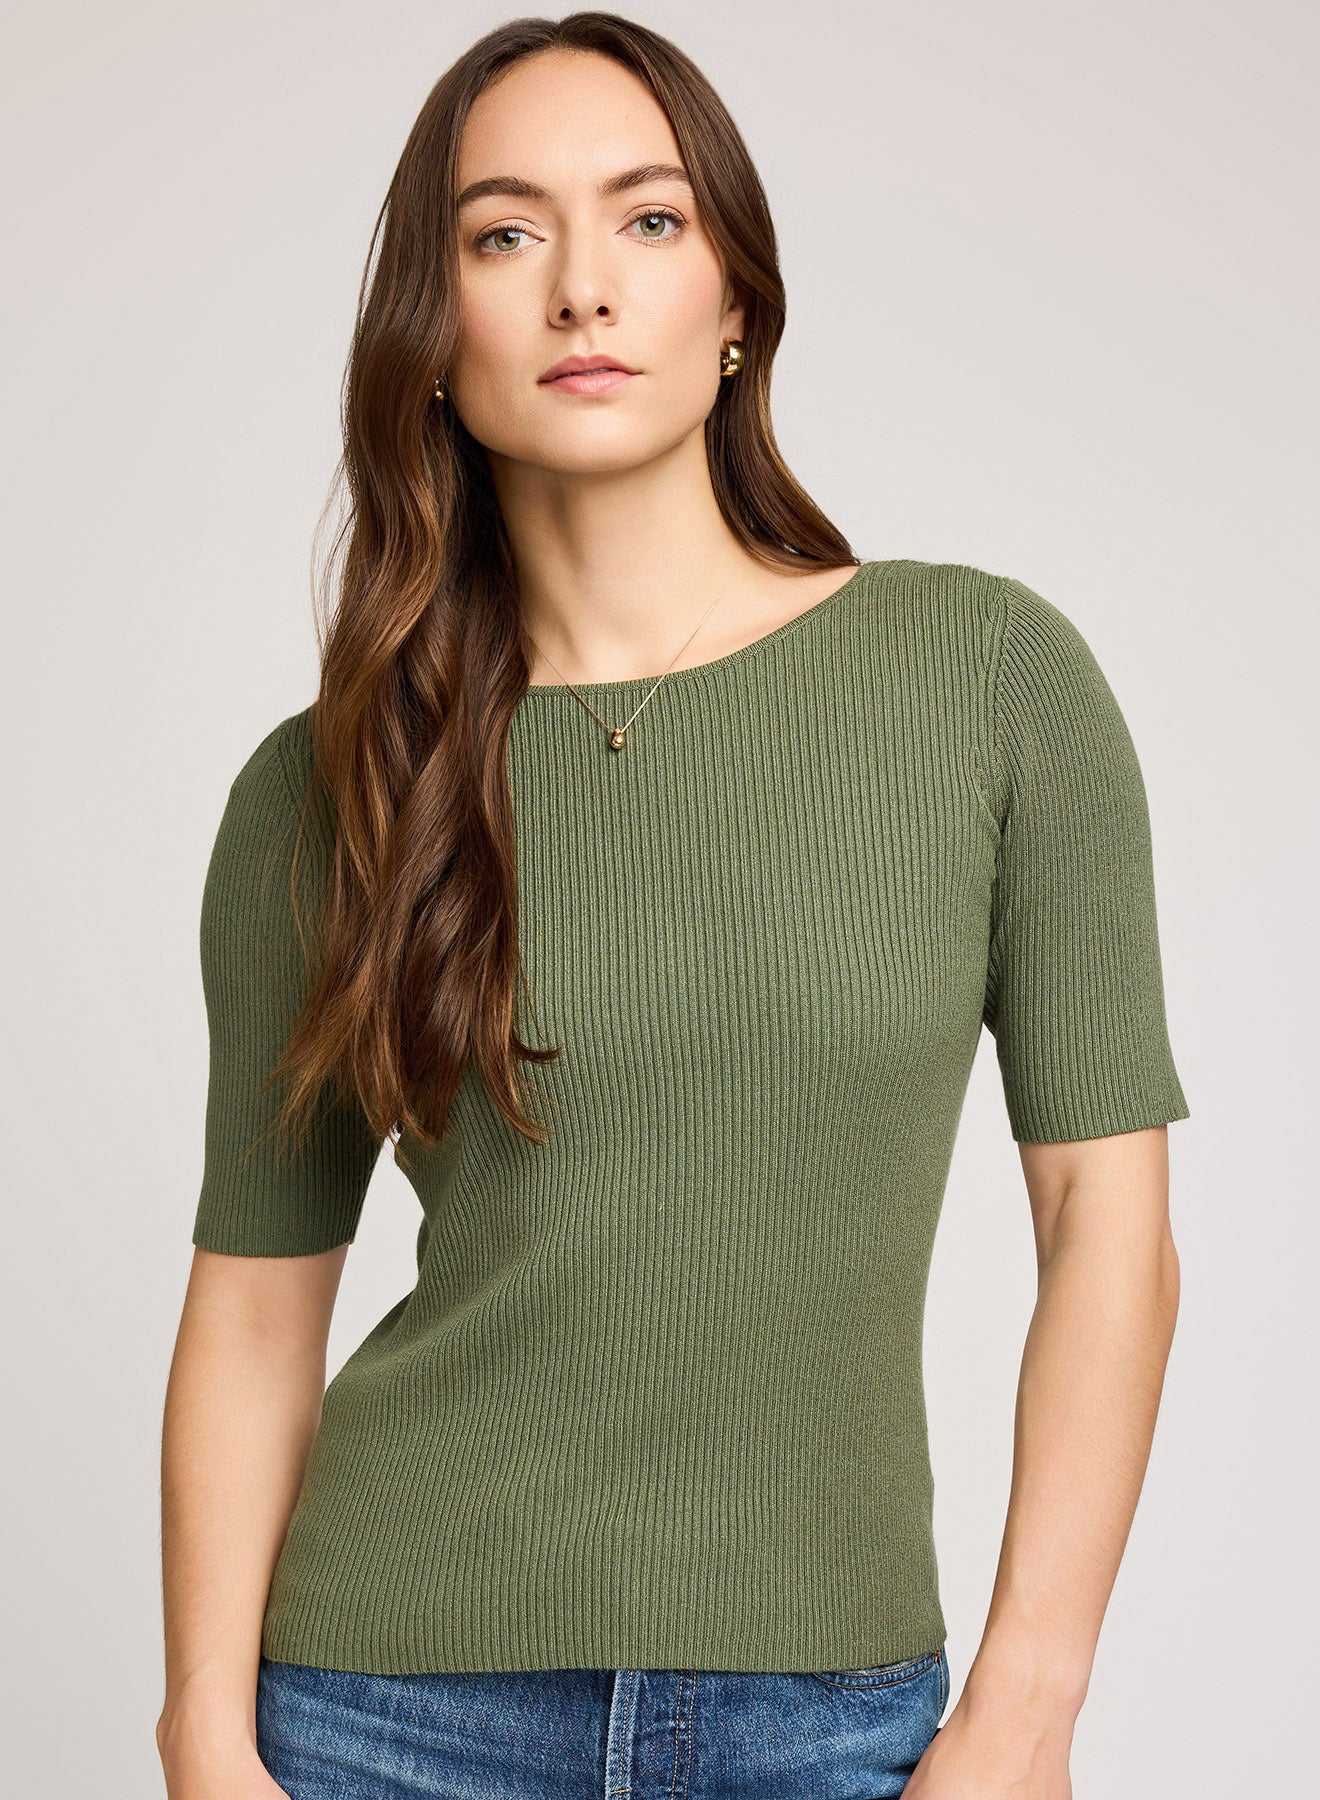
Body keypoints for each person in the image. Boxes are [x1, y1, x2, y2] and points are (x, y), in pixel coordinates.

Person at [156, 12, 1190, 1799]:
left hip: (832, 1719)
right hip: (387, 1718)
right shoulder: (328, 785)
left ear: (736, 304)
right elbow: (254, 1308)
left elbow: (1112, 1222)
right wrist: (201, 1731)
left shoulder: (987, 680)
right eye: (504, 234)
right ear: (431, 335)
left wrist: (1029, 1703)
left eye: (648, 219)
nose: (582, 287)